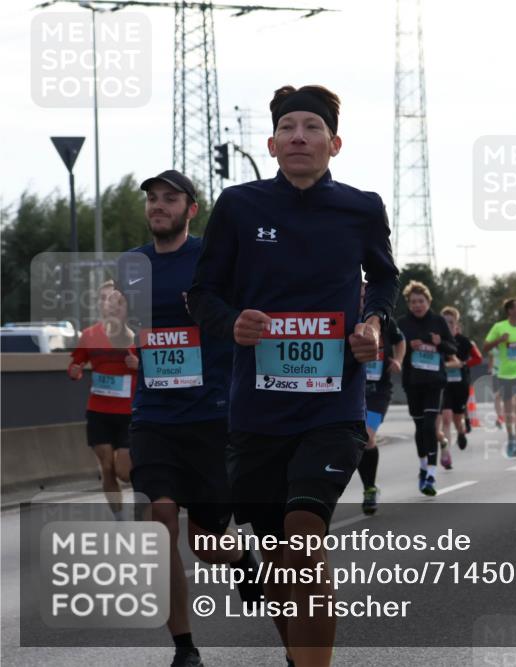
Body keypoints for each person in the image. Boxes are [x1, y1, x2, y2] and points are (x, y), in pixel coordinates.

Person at [187, 84, 399, 667]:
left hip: (333, 406)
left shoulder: (361, 207)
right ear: (273, 143)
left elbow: (384, 280)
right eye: (288, 127)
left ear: (334, 143)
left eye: (311, 127)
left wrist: (375, 323)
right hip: (257, 409)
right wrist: (233, 324)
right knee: (281, 555)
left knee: (304, 534)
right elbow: (201, 294)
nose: (299, 136)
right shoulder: (239, 205)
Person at [128, 170, 263, 667]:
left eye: (170, 198)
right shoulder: (133, 266)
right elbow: (122, 329)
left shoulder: (212, 262)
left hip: (210, 416)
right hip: (153, 416)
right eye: (152, 200)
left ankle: (241, 558)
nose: (158, 206)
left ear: (191, 210)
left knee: (205, 543)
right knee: (158, 520)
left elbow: (246, 318)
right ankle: (185, 648)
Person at [67, 280, 136, 521]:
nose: (111, 305)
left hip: (129, 412)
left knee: (125, 473)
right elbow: (77, 361)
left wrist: (139, 366)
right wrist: (74, 369)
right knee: (107, 468)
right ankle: (120, 521)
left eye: (117, 300)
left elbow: (153, 367)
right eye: (105, 299)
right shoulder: (89, 335)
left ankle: (143, 499)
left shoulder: (136, 335)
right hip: (98, 411)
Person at [397, 281, 456, 495]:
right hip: (413, 382)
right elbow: (393, 349)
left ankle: (431, 473)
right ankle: (423, 466)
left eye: (421, 301)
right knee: (420, 427)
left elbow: (452, 348)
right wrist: (405, 348)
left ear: (428, 302)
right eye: (413, 302)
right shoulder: (402, 324)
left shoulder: (438, 321)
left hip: (435, 382)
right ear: (408, 304)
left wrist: (440, 342)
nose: (417, 305)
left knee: (430, 425)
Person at [360, 284, 405, 516]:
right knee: (354, 441)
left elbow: (400, 340)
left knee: (367, 435)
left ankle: (369, 488)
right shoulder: (345, 315)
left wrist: (397, 360)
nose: (362, 297)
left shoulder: (384, 320)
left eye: (366, 293)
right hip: (351, 391)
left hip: (378, 391)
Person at [482, 297, 516, 457]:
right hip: (504, 373)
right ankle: (511, 437)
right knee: (508, 409)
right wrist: (499, 340)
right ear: (510, 311)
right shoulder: (499, 327)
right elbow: (485, 347)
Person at [440, 306, 480, 453]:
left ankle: (461, 432)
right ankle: (446, 453)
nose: (447, 325)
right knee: (446, 418)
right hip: (444, 384)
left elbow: (478, 358)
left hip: (460, 383)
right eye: (444, 322)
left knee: (458, 417)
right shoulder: (438, 341)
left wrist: (464, 363)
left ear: (456, 324)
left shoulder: (464, 341)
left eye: (451, 322)